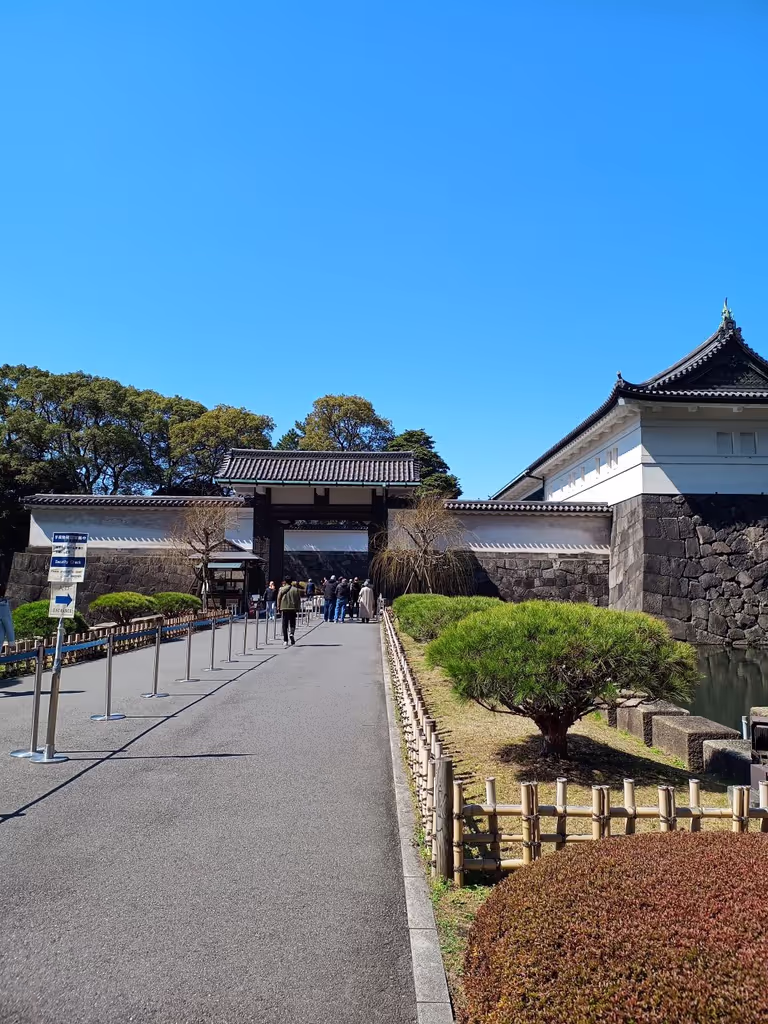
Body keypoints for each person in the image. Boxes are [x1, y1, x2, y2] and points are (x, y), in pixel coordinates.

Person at [277, 576, 300, 647]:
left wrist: (278, 607)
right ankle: (292, 633)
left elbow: (278, 598)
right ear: (291, 581)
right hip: (292, 608)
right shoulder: (295, 590)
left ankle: (285, 640)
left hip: (284, 608)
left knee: (285, 624)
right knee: (292, 623)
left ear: (285, 581)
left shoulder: (281, 589)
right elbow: (298, 600)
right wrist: (298, 608)